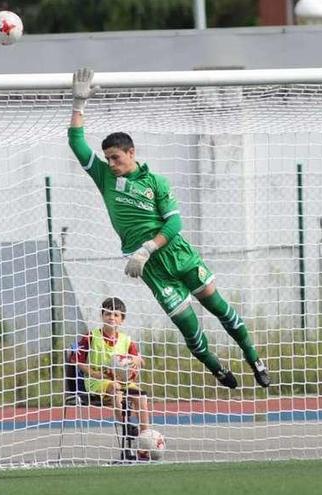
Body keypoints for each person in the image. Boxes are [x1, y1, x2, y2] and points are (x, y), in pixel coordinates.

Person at [68, 68, 270, 389]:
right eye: (107, 158)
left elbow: (175, 222)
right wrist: (79, 103)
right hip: (153, 270)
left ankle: (254, 357)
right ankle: (217, 368)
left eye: (116, 157)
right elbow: (76, 142)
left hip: (175, 254)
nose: (111, 163)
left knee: (220, 308)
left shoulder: (155, 182)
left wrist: (147, 247)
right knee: (190, 330)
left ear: (132, 153)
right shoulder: (105, 177)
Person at [73, 297, 151, 461]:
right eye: (108, 314)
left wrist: (134, 361)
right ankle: (126, 426)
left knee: (141, 397)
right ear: (102, 316)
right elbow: (76, 360)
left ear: (122, 320)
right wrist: (94, 373)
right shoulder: (91, 337)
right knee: (115, 388)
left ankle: (145, 442)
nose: (111, 318)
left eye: (116, 315)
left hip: (123, 381)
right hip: (98, 381)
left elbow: (140, 361)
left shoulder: (126, 340)